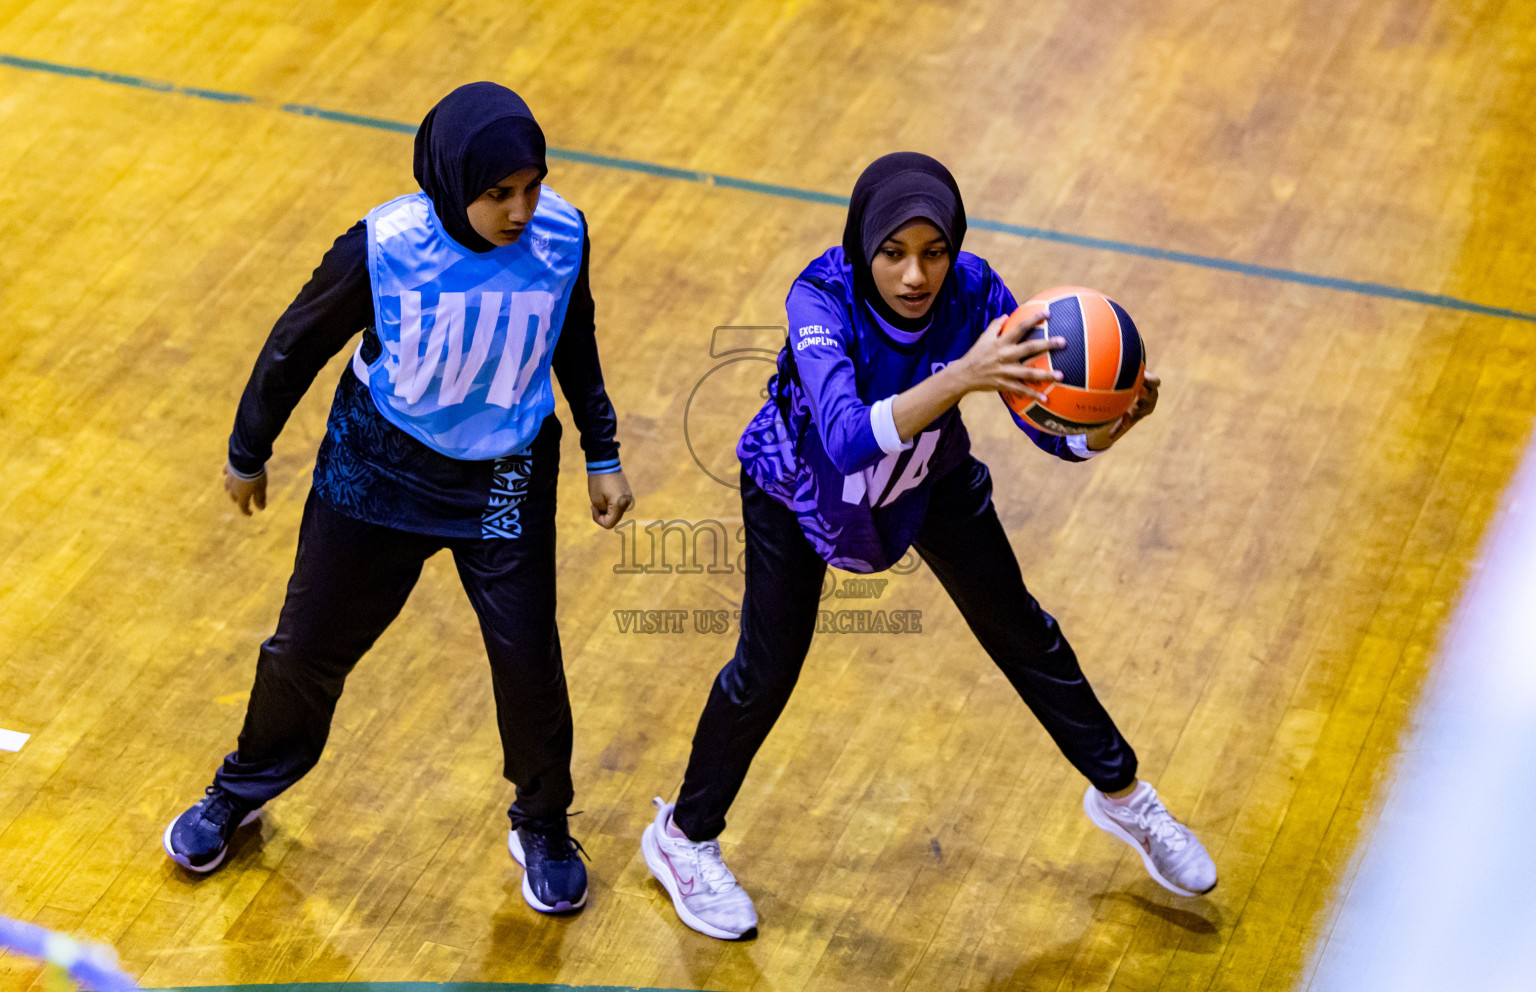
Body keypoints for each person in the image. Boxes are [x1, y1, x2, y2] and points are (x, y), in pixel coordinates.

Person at [641, 152, 1216, 940]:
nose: (916, 275)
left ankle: (1125, 799)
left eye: (934, 251)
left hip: (927, 476)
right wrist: (963, 377)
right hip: (799, 489)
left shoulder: (977, 291)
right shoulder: (820, 298)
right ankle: (683, 839)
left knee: (1022, 630)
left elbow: (1042, 430)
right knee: (765, 670)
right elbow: (846, 441)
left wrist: (1109, 428)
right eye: (894, 253)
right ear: (862, 247)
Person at [163, 82, 633, 916]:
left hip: (505, 477)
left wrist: (603, 451)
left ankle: (544, 824)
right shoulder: (383, 246)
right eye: (499, 194)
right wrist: (249, 448)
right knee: (305, 649)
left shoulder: (563, 234)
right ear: (453, 183)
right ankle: (239, 790)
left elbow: (578, 337)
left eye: (531, 186)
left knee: (528, 662)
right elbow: (295, 341)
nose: (521, 210)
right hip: (377, 467)